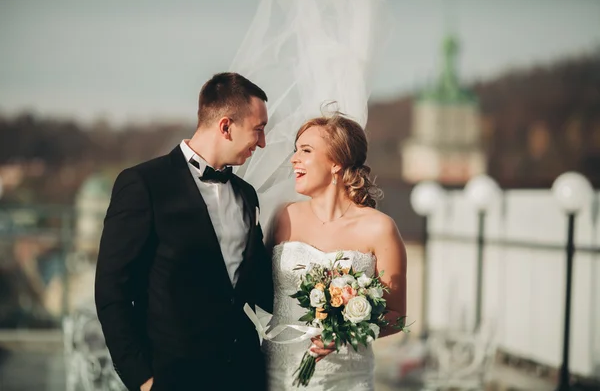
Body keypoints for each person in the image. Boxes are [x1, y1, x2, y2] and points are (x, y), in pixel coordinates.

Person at [94, 72, 274, 391]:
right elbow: (112, 290)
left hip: (245, 375)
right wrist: (143, 379)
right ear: (226, 126)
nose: (263, 142)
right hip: (173, 377)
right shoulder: (143, 185)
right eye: (258, 130)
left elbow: (261, 286)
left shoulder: (247, 195)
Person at [263, 113, 407, 391]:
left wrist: (346, 331)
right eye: (296, 149)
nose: (294, 159)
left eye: (305, 150)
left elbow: (397, 316)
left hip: (344, 380)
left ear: (335, 163)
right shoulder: (284, 217)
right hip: (275, 376)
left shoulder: (380, 229)